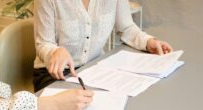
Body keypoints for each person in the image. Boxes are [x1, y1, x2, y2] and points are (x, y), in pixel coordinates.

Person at [33, 0, 173, 92]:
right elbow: (43, 43)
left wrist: (148, 42)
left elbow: (126, 27)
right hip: (54, 75)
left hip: (94, 70)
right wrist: (55, 52)